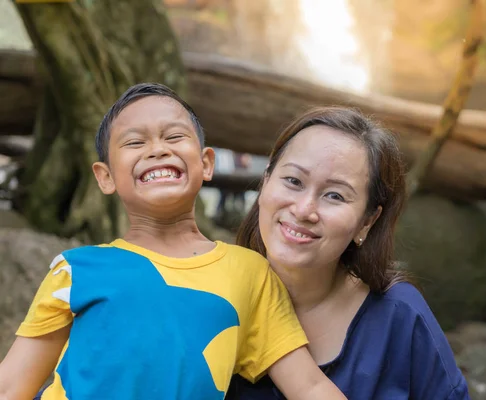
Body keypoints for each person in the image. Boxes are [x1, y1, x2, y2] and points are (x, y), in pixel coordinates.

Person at [0, 84, 347, 400]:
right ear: (105, 177)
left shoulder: (250, 272)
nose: (157, 150)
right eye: (135, 142)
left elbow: (308, 385)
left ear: (206, 163)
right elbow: (12, 385)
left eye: (174, 137)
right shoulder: (76, 270)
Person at [226, 107, 469, 399]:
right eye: (293, 181)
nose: (304, 210)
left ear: (367, 220)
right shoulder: (213, 294)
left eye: (335, 196)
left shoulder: (399, 317)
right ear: (266, 181)